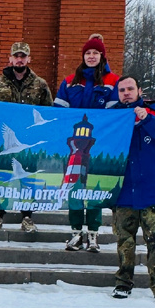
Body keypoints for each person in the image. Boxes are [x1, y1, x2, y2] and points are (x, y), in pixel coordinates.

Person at [111, 76, 155, 305]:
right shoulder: (112, 117)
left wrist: (146, 118)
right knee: (125, 241)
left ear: (139, 90)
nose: (126, 93)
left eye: (130, 88)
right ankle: (123, 283)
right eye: (121, 90)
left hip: (154, 191)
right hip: (124, 193)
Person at [53, 34, 119, 252]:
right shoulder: (70, 80)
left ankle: (93, 234)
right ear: (83, 56)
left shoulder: (112, 82)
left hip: (98, 147)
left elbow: (115, 116)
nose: (91, 56)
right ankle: (75, 233)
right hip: (72, 150)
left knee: (93, 191)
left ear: (102, 56)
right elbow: (59, 113)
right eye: (88, 53)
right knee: (74, 188)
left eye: (95, 53)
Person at [0, 41, 53, 232]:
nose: (19, 59)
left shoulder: (40, 85)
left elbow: (47, 112)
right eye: (16, 56)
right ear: (10, 59)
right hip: (6, 141)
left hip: (29, 142)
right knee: (3, 177)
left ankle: (27, 217)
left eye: (23, 56)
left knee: (27, 177)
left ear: (28, 59)